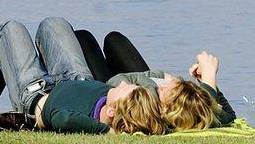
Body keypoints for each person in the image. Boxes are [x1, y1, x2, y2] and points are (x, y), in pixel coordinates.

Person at [0, 17, 165, 135]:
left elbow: (61, 118)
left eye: (124, 89)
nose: (124, 83)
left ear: (111, 111)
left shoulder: (76, 120)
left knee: (9, 30)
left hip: (36, 94)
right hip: (77, 78)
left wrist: (108, 133)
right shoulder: (126, 104)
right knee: (54, 24)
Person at [75, 29, 236, 130]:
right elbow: (229, 115)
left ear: (164, 110)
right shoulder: (199, 114)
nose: (163, 87)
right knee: (114, 39)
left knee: (83, 38)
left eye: (166, 91)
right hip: (137, 83)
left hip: (113, 93)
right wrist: (207, 81)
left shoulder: (152, 114)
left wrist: (152, 81)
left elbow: (116, 81)